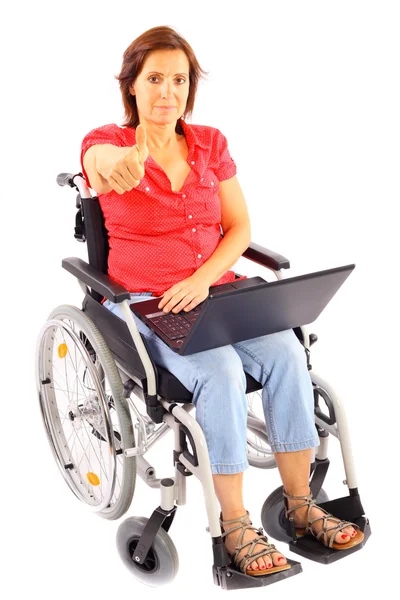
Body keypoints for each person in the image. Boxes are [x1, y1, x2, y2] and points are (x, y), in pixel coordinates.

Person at [80, 25, 364, 577]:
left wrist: (204, 280)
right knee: (222, 372)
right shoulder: (105, 141)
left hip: (216, 291)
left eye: (179, 80)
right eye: (154, 78)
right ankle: (234, 524)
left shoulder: (210, 142)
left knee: (286, 354)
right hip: (144, 302)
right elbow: (99, 163)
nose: (168, 91)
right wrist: (120, 163)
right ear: (132, 87)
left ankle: (300, 504)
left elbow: (238, 228)